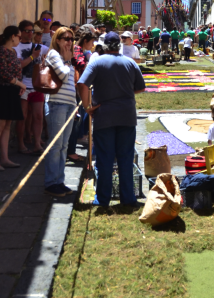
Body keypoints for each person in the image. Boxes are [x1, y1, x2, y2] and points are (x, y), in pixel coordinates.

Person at [77, 32, 146, 208]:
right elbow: (140, 87)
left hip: (104, 114)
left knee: (105, 159)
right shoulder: (130, 62)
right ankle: (128, 198)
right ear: (119, 46)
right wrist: (125, 92)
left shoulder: (97, 62)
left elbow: (82, 84)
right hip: (127, 114)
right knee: (125, 157)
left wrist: (87, 107)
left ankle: (103, 199)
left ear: (104, 46)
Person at [44, 27, 78, 197]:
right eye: (66, 38)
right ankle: (51, 183)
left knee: (64, 146)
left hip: (69, 104)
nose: (69, 42)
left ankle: (59, 181)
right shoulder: (54, 55)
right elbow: (64, 76)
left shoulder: (66, 58)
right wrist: (66, 60)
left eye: (71, 39)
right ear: (57, 40)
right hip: (57, 104)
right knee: (56, 145)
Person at [0, 26, 24, 170]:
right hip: (1, 91)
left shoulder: (13, 52)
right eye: (19, 37)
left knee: (7, 125)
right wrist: (20, 84)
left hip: (11, 91)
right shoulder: (1, 50)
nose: (20, 40)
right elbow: (3, 73)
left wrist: (19, 86)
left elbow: (16, 71)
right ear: (12, 36)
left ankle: (5, 158)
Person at [15, 20, 48, 155]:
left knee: (38, 116)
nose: (30, 33)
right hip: (22, 86)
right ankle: (21, 144)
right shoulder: (16, 48)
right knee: (22, 116)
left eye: (32, 31)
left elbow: (53, 51)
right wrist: (32, 56)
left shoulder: (40, 47)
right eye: (27, 31)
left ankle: (37, 144)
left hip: (36, 86)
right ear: (21, 32)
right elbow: (19, 66)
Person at [67, 24, 97, 163]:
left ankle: (71, 150)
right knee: (75, 122)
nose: (92, 45)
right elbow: (79, 63)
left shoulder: (78, 49)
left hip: (76, 89)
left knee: (76, 121)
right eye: (91, 42)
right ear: (85, 41)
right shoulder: (78, 49)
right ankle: (71, 152)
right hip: (74, 90)